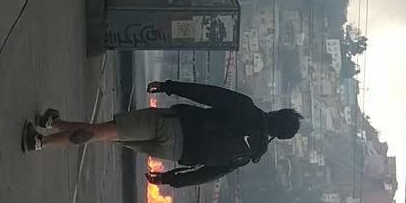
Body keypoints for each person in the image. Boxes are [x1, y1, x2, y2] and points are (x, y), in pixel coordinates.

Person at [22, 80, 303, 188]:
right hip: (172, 153)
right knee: (104, 135)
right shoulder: (250, 154)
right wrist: (170, 179)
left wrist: (170, 86)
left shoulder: (247, 109)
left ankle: (40, 141)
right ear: (279, 137)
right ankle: (54, 123)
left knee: (100, 132)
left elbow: (208, 94)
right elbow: (209, 173)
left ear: (277, 113)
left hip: (171, 124)